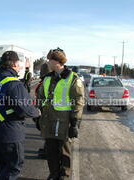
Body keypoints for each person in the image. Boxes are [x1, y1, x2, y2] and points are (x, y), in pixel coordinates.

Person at [0, 51, 40, 180]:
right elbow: (24, 109)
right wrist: (37, 112)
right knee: (14, 166)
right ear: (14, 64)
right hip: (10, 131)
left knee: (2, 163)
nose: (21, 66)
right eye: (19, 63)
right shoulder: (14, 83)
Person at [37, 48, 85, 180]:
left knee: (64, 152)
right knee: (51, 151)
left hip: (63, 122)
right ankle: (53, 175)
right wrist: (38, 116)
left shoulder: (73, 79)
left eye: (50, 60)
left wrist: (75, 123)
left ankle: (64, 176)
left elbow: (79, 102)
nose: (48, 62)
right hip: (48, 120)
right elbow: (41, 98)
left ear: (57, 61)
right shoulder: (47, 78)